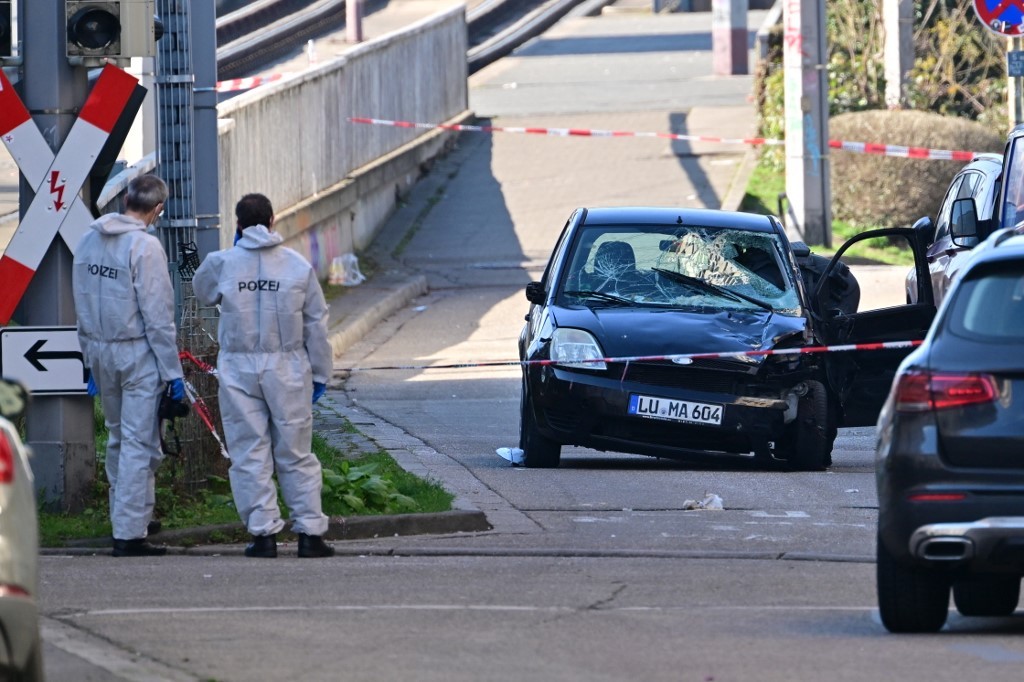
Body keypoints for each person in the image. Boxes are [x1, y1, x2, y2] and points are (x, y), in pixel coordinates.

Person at [191, 193, 335, 558]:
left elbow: (202, 291)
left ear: (237, 224)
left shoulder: (222, 263)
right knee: (296, 452)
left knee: (248, 451)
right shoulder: (296, 266)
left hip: (239, 366)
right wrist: (321, 373)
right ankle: (310, 534)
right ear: (273, 220)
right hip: (287, 366)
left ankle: (263, 534)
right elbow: (316, 323)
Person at [72, 173, 185, 558]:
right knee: (140, 443)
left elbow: (82, 301)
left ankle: (131, 514)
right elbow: (158, 316)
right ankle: (130, 533)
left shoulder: (89, 238)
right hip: (137, 354)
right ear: (156, 209)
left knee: (120, 436)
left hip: (101, 352)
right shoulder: (145, 247)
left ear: (125, 202)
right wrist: (173, 374)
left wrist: (88, 358)